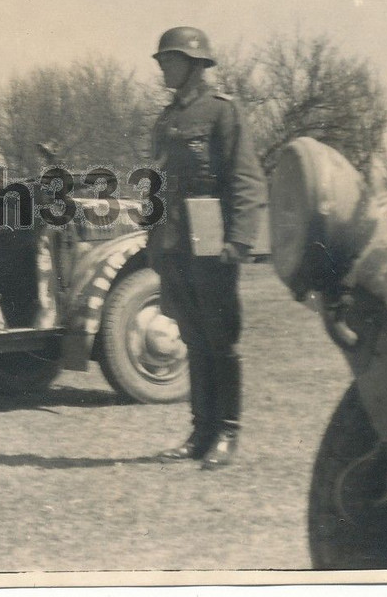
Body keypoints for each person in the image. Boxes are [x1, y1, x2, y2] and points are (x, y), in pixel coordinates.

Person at [146, 26, 265, 470]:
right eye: (160, 60)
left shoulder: (221, 113)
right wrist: (153, 240)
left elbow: (245, 179)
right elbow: (157, 186)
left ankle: (226, 431)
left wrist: (239, 238)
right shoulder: (163, 120)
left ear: (195, 64)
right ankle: (200, 431)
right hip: (174, 242)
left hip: (212, 239)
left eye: (169, 60)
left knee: (220, 339)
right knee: (193, 338)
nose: (161, 67)